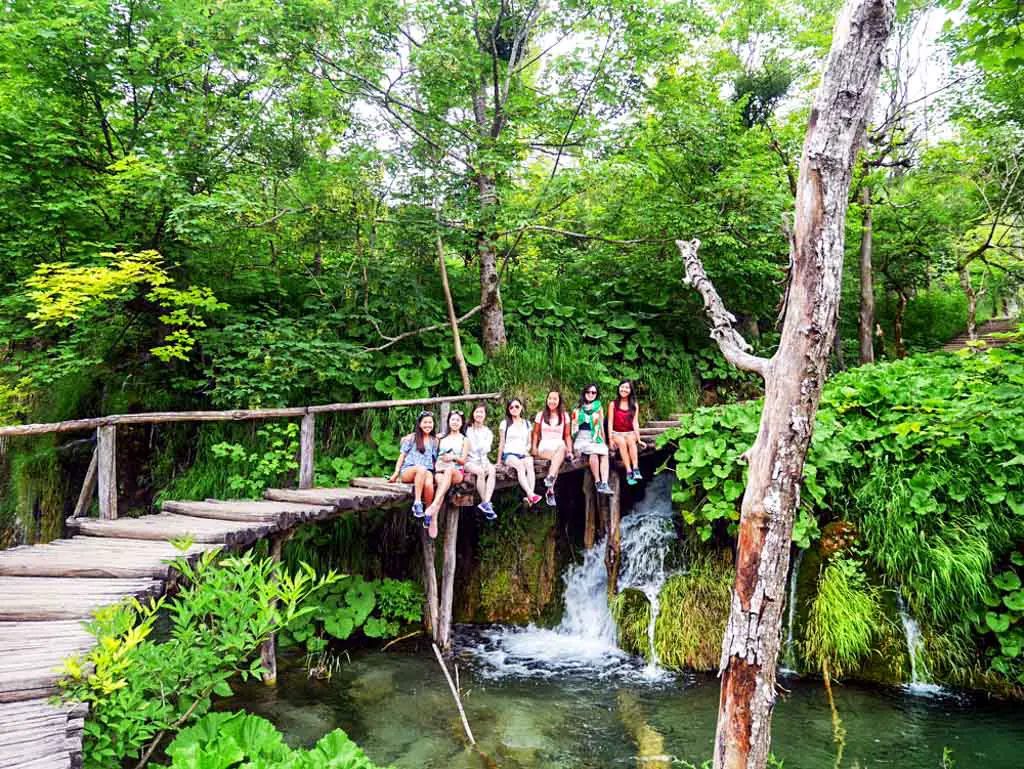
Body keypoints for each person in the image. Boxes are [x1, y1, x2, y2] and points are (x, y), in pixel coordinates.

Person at [421, 409, 469, 538]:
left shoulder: (464, 439)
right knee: (442, 481)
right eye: (452, 419)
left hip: (456, 471)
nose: (455, 422)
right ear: (448, 421)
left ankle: (434, 506)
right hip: (440, 470)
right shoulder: (440, 437)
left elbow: (463, 460)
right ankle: (434, 519)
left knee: (448, 472)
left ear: (461, 423)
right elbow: (424, 436)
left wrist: (453, 457)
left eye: (458, 420)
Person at [388, 410, 438, 527]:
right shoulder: (411, 437)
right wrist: (396, 473)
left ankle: (428, 512)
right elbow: (402, 456)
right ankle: (417, 502)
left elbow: (435, 460)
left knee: (429, 484)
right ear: (419, 424)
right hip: (409, 471)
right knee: (421, 469)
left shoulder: (434, 441)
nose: (428, 425)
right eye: (425, 422)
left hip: (428, 470)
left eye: (430, 423)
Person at [497, 397, 541, 506]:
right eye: (511, 407)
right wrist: (498, 461)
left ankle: (529, 497)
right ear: (508, 409)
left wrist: (527, 451)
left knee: (529, 463)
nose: (514, 409)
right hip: (509, 454)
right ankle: (531, 494)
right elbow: (502, 443)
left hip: (523, 453)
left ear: (521, 407)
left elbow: (529, 442)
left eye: (517, 406)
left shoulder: (527, 424)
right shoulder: (505, 423)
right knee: (520, 466)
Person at [571, 384, 613, 495]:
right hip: (582, 438)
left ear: (596, 394)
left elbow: (601, 426)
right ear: (584, 393)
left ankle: (604, 483)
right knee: (594, 452)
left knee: (604, 451)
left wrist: (603, 441)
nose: (590, 394)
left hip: (595, 437)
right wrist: (572, 449)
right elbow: (573, 430)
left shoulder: (599, 408)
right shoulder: (577, 409)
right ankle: (598, 482)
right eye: (588, 392)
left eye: (593, 392)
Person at [532, 390, 572, 506]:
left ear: (559, 401)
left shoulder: (564, 416)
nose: (552, 401)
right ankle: (550, 486)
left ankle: (550, 487)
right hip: (545, 447)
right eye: (550, 398)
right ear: (547, 400)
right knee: (559, 456)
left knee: (559, 453)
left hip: (559, 446)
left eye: (555, 399)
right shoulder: (541, 415)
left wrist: (570, 450)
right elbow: (535, 433)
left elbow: (567, 435)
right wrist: (534, 447)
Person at [464, 403, 498, 520]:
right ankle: (486, 503)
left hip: (483, 459)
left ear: (485, 415)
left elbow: (485, 449)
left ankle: (486, 502)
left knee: (492, 470)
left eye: (481, 412)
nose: (479, 414)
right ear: (473, 413)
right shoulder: (467, 429)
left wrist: (485, 464)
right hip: (469, 460)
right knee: (480, 472)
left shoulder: (488, 432)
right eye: (477, 412)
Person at [608, 379, 645, 485]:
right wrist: (610, 439)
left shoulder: (634, 405)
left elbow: (635, 423)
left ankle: (636, 469)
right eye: (622, 387)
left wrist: (639, 439)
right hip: (616, 433)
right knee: (622, 443)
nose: (624, 389)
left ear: (630, 390)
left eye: (627, 387)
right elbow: (610, 421)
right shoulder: (613, 404)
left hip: (630, 432)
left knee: (630, 440)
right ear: (619, 388)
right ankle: (629, 472)